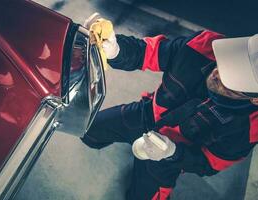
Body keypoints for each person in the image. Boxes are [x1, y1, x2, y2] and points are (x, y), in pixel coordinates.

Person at [81, 13, 258, 200]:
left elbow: (209, 163)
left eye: (231, 78)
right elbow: (149, 52)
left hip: (169, 154)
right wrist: (116, 50)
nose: (218, 73)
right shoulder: (205, 45)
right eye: (230, 60)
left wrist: (172, 153)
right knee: (88, 129)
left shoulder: (250, 127)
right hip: (146, 114)